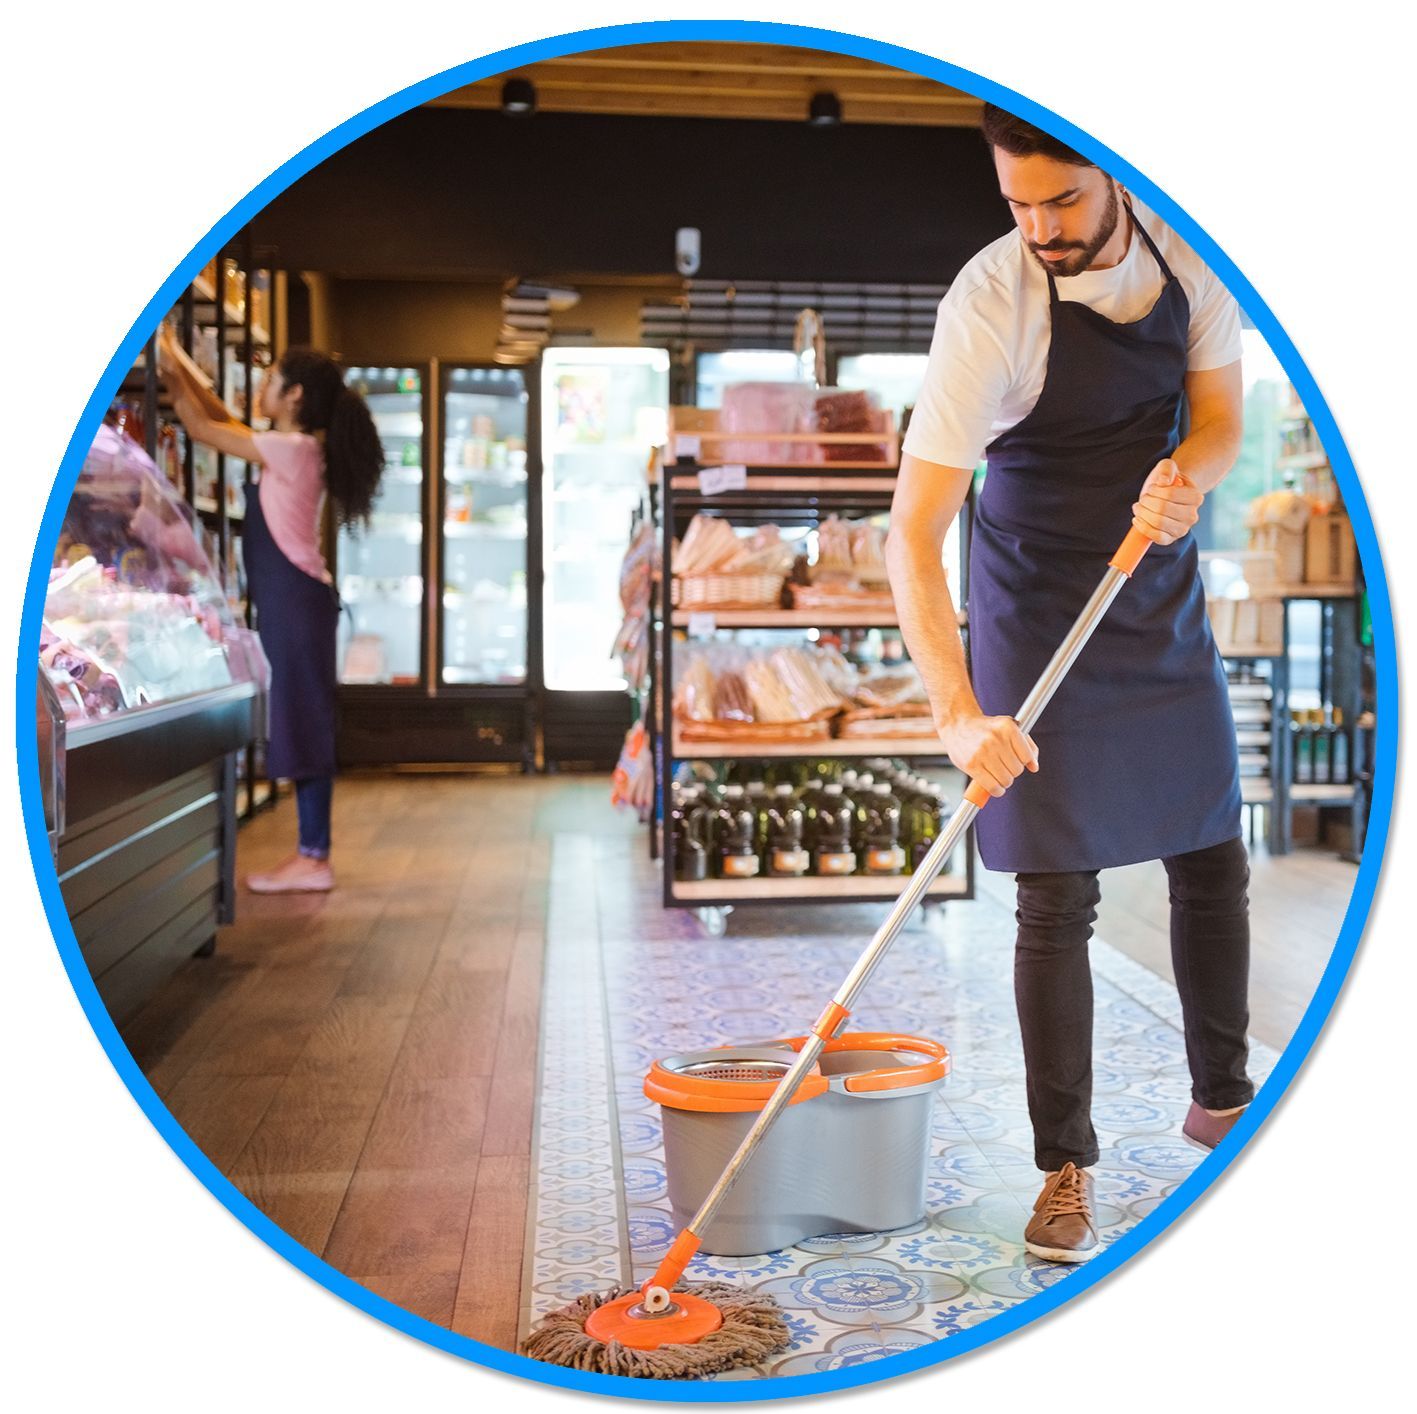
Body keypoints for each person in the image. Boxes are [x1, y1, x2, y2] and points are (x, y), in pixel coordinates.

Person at [886, 106, 1254, 1264]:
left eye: (1063, 201)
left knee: (1211, 850)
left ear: (1117, 175)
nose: (1040, 227)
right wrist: (956, 714)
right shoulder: (988, 304)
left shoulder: (1191, 254)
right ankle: (1064, 1167)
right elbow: (911, 529)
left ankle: (1224, 1101)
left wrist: (1184, 479)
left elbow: (1219, 420)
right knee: (1055, 892)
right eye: (1017, 205)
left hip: (1149, 591)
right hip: (1034, 599)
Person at [157, 328, 383, 893]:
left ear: (295, 396)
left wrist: (164, 363)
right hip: (296, 601)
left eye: (272, 377)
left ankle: (314, 857)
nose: (262, 383)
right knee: (303, 717)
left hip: (296, 601)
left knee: (304, 720)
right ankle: (311, 853)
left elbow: (205, 428)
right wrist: (173, 360)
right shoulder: (295, 446)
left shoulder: (295, 448)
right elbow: (217, 414)